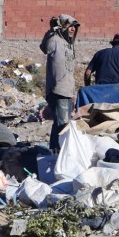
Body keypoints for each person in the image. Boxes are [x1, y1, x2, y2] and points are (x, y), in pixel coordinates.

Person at [39, 14, 79, 150]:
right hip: (58, 89)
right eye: (70, 26)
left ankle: (55, 150)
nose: (73, 29)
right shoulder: (54, 40)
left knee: (61, 124)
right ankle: (58, 153)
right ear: (63, 27)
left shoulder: (69, 45)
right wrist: (51, 30)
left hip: (67, 91)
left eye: (75, 27)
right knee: (63, 125)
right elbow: (44, 47)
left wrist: (72, 93)